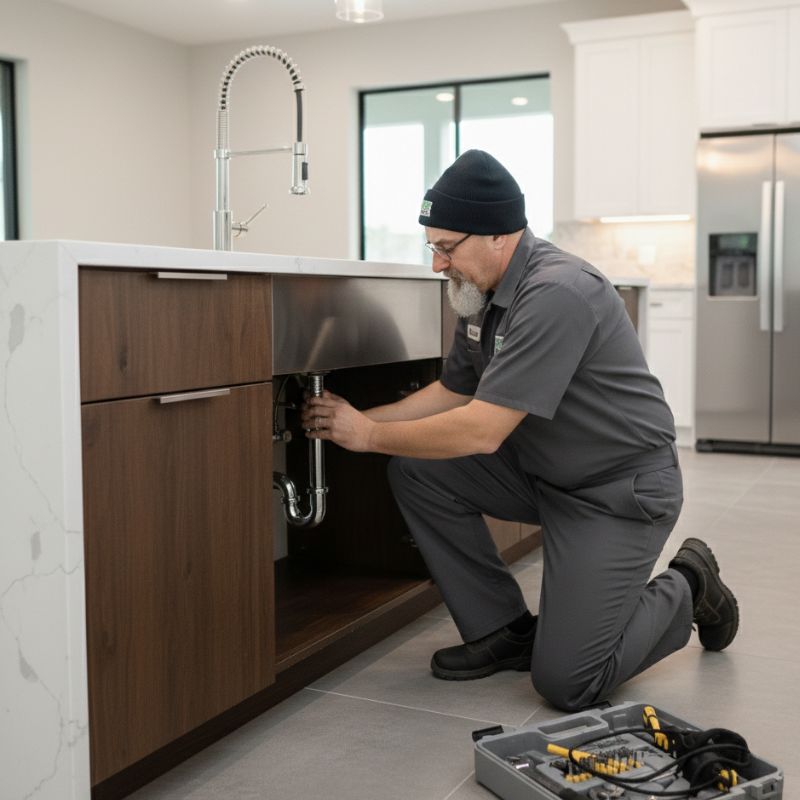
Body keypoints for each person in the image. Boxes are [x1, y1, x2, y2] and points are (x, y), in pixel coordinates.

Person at [302, 149, 739, 711]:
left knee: (568, 683)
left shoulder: (557, 292)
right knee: (418, 472)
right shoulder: (480, 294)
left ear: (497, 237)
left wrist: (366, 435)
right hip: (542, 474)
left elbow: (482, 430)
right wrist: (354, 422)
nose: (438, 264)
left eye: (445, 247)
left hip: (617, 492)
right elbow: (453, 393)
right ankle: (503, 631)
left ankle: (691, 583)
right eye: (431, 247)